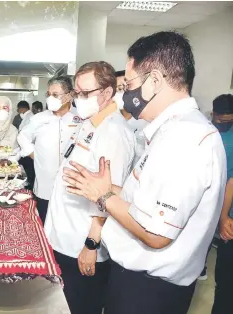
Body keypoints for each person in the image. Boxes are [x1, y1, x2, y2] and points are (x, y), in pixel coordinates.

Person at [62, 31, 226, 314]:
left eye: (130, 83)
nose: (125, 92)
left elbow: (156, 233)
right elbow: (146, 204)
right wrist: (112, 190)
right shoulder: (170, 131)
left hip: (149, 292)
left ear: (154, 81)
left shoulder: (185, 138)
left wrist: (103, 197)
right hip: (138, 283)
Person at [45, 62, 135, 314]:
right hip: (65, 234)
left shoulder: (115, 132)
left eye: (85, 93)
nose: (79, 99)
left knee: (82, 306)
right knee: (63, 303)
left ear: (107, 93)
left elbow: (109, 195)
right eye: (77, 93)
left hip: (82, 242)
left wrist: (91, 244)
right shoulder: (90, 122)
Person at [17, 76, 81, 224]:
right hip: (45, 184)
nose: (50, 98)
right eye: (48, 94)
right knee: (44, 224)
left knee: (66, 226)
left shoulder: (80, 117)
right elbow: (22, 137)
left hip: (71, 186)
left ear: (70, 95)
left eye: (55, 95)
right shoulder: (39, 118)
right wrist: (34, 154)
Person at [211, 93, 233, 314]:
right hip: (213, 209)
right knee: (225, 285)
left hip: (225, 212)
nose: (225, 125)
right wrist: (224, 216)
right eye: (222, 120)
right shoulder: (203, 133)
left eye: (230, 121)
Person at [114, 70, 148, 167]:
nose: (123, 93)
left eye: (126, 88)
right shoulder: (111, 120)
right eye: (119, 89)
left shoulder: (144, 121)